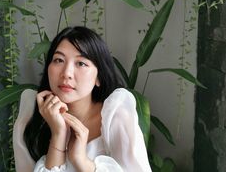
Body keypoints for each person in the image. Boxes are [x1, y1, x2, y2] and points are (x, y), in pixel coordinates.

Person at [13, 26, 151, 171]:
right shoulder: (30, 117)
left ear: (99, 77)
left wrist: (81, 161)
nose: (67, 73)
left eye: (81, 63)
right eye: (59, 60)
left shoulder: (115, 116)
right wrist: (58, 136)